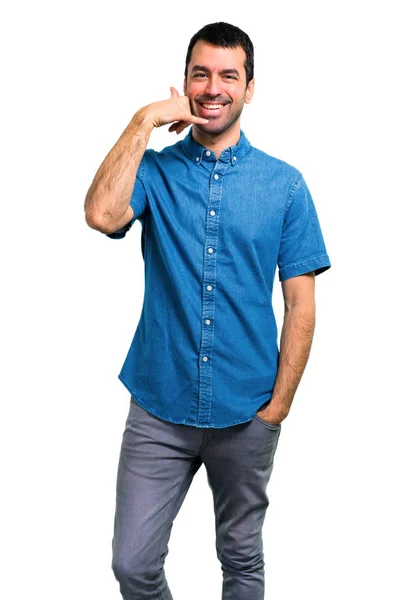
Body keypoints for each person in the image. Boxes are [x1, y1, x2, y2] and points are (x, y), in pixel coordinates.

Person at [84, 21, 331, 600]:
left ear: (249, 88)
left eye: (228, 75)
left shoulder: (286, 185)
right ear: (185, 84)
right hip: (158, 406)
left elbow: (301, 305)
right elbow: (101, 214)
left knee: (241, 559)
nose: (213, 87)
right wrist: (144, 120)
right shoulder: (154, 170)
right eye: (201, 74)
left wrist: (277, 409)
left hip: (248, 412)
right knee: (132, 565)